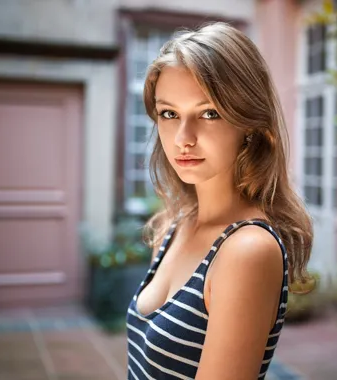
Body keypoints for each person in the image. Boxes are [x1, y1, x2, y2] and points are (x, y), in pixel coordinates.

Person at [125, 21, 314, 380]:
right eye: (169, 113)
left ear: (250, 125)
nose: (183, 138)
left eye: (209, 113)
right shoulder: (173, 225)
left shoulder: (247, 251)